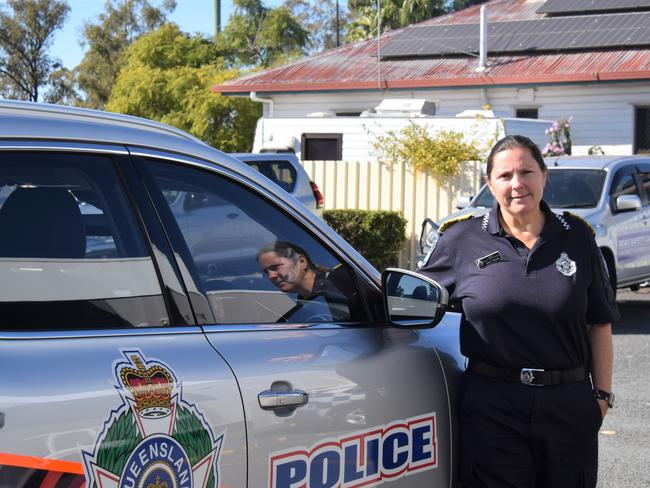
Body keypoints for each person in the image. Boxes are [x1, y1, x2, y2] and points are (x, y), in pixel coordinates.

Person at [419, 135, 619, 488]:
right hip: (493, 406)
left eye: (526, 172)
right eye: (505, 175)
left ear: (544, 176)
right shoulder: (460, 239)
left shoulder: (578, 237)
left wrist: (601, 397)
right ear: (489, 183)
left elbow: (599, 323)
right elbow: (415, 297)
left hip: (568, 404)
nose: (517, 184)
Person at [256, 241, 351, 322]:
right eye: (266, 272)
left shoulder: (335, 292)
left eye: (275, 267)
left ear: (302, 262)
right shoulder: (306, 302)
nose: (271, 276)